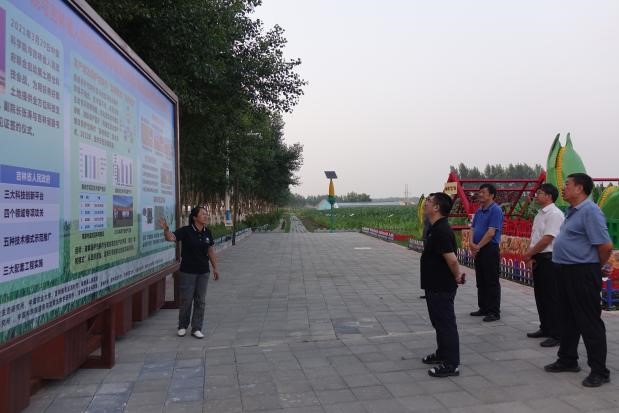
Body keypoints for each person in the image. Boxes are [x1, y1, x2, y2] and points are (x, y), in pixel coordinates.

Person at [544, 173, 613, 387]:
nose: (563, 188)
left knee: (589, 321)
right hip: (565, 271)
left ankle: (599, 371)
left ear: (580, 188)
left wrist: (594, 267)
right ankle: (567, 359)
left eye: (567, 184)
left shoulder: (590, 211)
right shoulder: (573, 211)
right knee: (567, 318)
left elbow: (605, 246)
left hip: (582, 272)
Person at [420, 192, 465, 377]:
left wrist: (457, 276)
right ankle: (442, 353)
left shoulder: (441, 230)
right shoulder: (436, 227)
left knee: (446, 324)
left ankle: (451, 364)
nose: (426, 203)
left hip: (442, 286)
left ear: (437, 207)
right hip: (434, 284)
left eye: (429, 201)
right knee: (438, 322)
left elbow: (452, 260)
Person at [160, 206, 220, 339]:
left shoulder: (207, 232)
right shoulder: (186, 231)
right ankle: (182, 326)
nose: (206, 216)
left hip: (203, 272)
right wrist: (166, 229)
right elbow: (171, 238)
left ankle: (196, 328)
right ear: (195, 217)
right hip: (188, 272)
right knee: (186, 300)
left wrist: (215, 268)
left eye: (206, 214)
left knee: (200, 301)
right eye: (203, 214)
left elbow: (210, 251)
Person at [523, 183, 564, 347]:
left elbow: (548, 239)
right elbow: (534, 237)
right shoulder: (540, 214)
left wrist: (529, 254)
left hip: (550, 259)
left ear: (549, 196)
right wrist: (529, 255)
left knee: (552, 296)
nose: (536, 196)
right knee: (540, 295)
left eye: (539, 193)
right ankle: (545, 327)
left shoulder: (555, 214)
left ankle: (557, 333)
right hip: (539, 258)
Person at [469, 183, 504, 322]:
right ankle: (483, 307)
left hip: (489, 249)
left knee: (491, 281)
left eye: (483, 192)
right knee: (481, 279)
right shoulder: (479, 210)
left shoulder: (496, 210)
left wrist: (477, 247)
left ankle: (494, 311)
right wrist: (471, 244)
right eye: (480, 192)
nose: (480, 194)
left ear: (491, 195)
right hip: (478, 248)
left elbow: (491, 233)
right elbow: (472, 228)